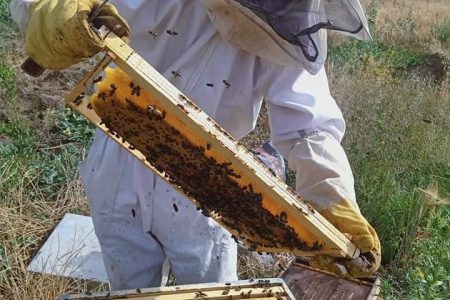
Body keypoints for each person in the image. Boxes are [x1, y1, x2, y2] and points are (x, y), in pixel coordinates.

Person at [11, 0, 381, 290]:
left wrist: (332, 193)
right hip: (121, 155)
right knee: (128, 289)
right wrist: (46, 12)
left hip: (210, 182)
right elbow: (34, 6)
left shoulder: (290, 22)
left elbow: (309, 125)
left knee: (211, 288)